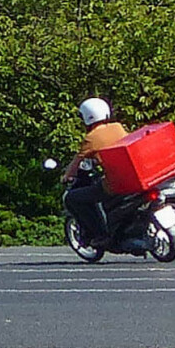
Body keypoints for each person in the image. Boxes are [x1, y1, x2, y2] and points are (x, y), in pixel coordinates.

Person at [64, 97, 128, 246]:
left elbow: (76, 163)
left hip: (115, 184)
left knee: (72, 198)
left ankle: (100, 234)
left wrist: (67, 176)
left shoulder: (91, 138)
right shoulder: (118, 127)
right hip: (132, 177)